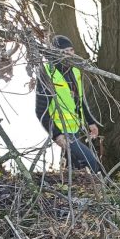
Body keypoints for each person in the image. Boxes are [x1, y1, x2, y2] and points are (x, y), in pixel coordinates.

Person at [36, 35, 101, 172]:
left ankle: (77, 193)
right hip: (62, 130)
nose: (69, 54)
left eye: (71, 50)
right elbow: (41, 110)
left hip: (75, 128)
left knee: (75, 167)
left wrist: (90, 122)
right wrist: (57, 135)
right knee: (91, 162)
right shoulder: (47, 73)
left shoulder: (75, 70)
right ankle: (100, 190)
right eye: (64, 52)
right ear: (55, 53)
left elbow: (79, 100)